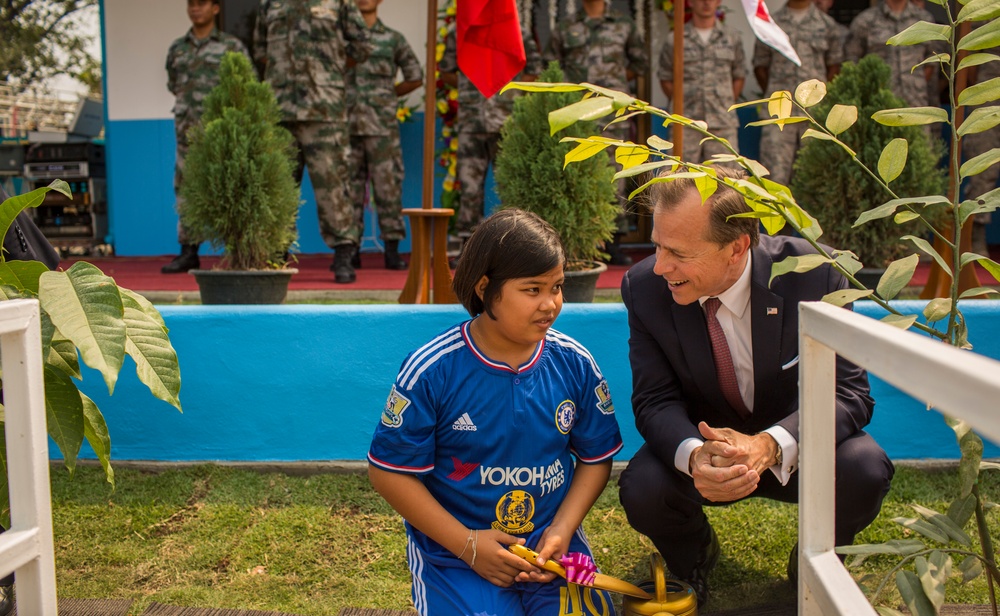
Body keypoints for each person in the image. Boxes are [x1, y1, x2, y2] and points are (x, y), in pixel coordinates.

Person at [616, 167, 895, 605]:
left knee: (864, 466)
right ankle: (694, 558)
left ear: (737, 247)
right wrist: (694, 456)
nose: (660, 266)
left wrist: (769, 444)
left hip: (794, 449)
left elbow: (849, 394)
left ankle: (812, 559)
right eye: (657, 244)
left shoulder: (816, 274)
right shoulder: (644, 288)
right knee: (643, 487)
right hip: (709, 452)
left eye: (678, 253)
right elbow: (654, 399)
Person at [368, 208, 624, 616]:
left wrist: (561, 530)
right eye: (532, 289)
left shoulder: (575, 363)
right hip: (456, 553)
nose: (550, 304)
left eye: (556, 287)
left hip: (549, 550)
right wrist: (469, 545)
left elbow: (596, 459)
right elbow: (388, 472)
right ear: (486, 288)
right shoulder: (433, 370)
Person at [254, 0, 371, 283]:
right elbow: (261, 50)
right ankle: (276, 252)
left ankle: (343, 252)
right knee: (278, 185)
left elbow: (362, 46)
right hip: (279, 109)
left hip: (324, 110)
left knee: (333, 185)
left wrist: (328, 71)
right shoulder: (269, 3)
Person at [545, 0, 649, 265]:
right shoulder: (565, 27)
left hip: (612, 114)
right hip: (577, 113)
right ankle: (577, 243)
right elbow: (552, 67)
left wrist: (613, 86)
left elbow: (639, 62)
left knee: (617, 176)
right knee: (577, 173)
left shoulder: (624, 25)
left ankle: (613, 241)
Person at [162, 0, 250, 274]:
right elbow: (173, 83)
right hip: (188, 131)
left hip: (222, 132)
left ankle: (238, 251)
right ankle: (189, 251)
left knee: (230, 187)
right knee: (187, 189)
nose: (195, 9)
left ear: (215, 8)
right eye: (191, 4)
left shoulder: (232, 47)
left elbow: (244, 85)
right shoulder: (178, 48)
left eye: (201, 4)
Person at [438, 27, 542, 253]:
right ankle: (470, 246)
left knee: (511, 188)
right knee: (469, 188)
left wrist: (509, 94)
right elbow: (445, 71)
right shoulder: (462, 30)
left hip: (508, 123)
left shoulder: (515, 30)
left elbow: (534, 72)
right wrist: (472, 86)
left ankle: (516, 246)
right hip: (471, 122)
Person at [347, 0, 423, 271]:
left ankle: (391, 249)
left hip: (382, 129)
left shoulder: (392, 39)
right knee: (348, 191)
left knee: (388, 189)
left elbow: (416, 76)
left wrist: (388, 95)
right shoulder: (341, 39)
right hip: (347, 126)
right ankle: (349, 250)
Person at [753, 0, 843, 188]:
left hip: (815, 117)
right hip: (779, 117)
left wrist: (819, 100)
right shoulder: (771, 24)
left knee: (815, 179)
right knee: (774, 179)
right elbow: (761, 66)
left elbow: (834, 67)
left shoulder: (827, 25)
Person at [658, 0, 745, 165]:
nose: (706, 2)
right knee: (680, 179)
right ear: (689, 2)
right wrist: (682, 102)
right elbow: (665, 78)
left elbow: (739, 76)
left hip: (722, 122)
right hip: (685, 122)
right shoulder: (675, 38)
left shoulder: (731, 38)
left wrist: (723, 103)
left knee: (726, 181)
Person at [845, 0, 936, 108]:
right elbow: (852, 61)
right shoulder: (865, 21)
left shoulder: (924, 20)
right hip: (879, 102)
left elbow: (932, 58)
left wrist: (916, 83)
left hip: (916, 103)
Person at [963, 41, 1000, 256]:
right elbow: (968, 57)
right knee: (983, 164)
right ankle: (975, 237)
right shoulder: (986, 8)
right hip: (989, 88)